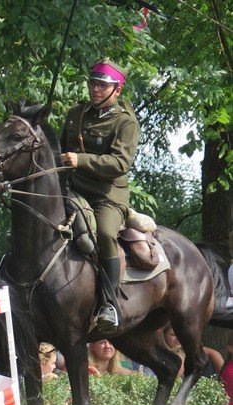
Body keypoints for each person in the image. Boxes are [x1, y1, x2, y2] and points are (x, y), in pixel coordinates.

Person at [59, 58, 140, 333]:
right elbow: (59, 153)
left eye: (102, 85)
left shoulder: (125, 123)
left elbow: (120, 164)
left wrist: (79, 160)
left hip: (107, 195)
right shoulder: (76, 114)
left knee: (105, 233)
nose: (95, 89)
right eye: (93, 83)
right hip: (74, 188)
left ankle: (109, 304)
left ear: (116, 90)